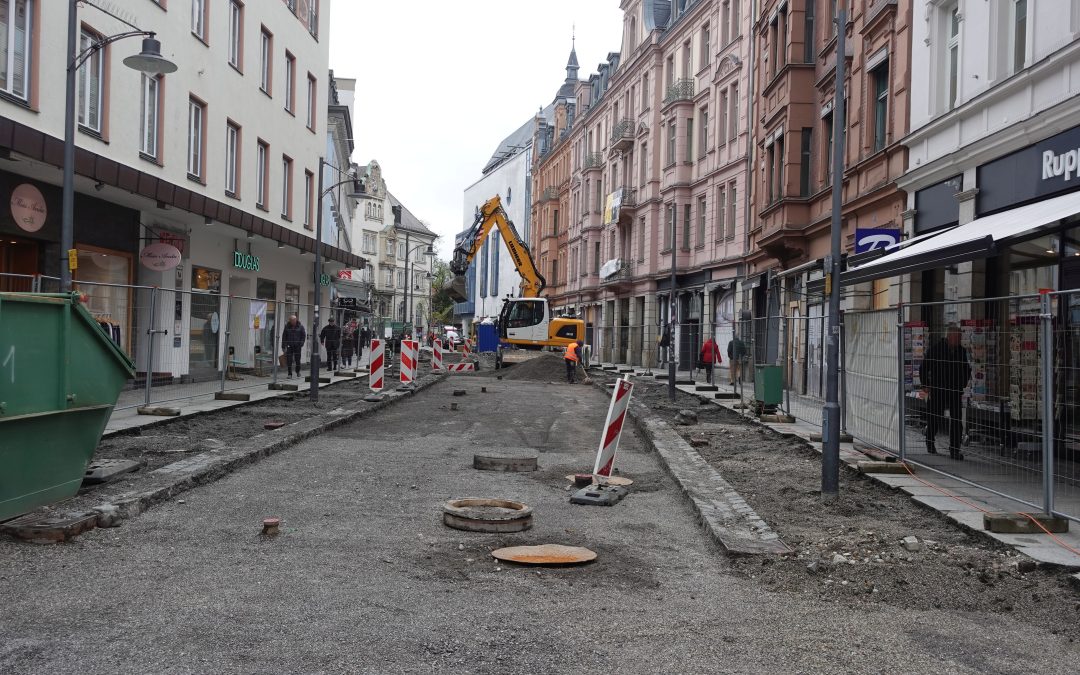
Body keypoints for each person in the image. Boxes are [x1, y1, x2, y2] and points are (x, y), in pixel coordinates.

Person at [920, 325, 971, 460]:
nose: (960, 339)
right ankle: (930, 441)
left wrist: (962, 384)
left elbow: (966, 369)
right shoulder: (936, 349)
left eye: (960, 337)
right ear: (950, 337)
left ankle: (954, 449)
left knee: (956, 420)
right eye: (958, 337)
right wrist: (925, 385)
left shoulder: (961, 351)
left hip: (954, 390)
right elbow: (924, 367)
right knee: (934, 418)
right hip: (938, 389)